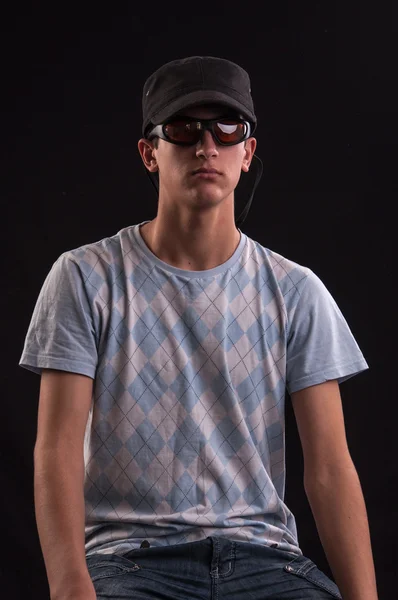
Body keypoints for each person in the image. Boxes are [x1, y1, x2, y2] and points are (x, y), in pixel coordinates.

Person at [19, 56, 378, 600]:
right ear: (150, 153)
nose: (207, 146)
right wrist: (71, 587)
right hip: (128, 561)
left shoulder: (296, 291)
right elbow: (57, 450)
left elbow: (329, 468)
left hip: (266, 562)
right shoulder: (86, 279)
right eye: (184, 129)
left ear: (247, 152)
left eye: (227, 129)